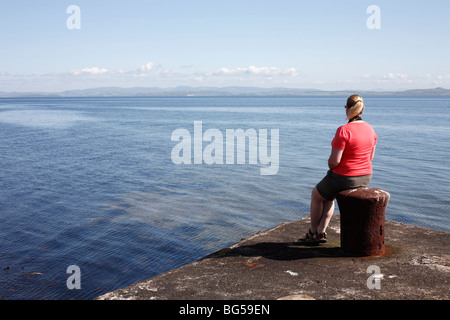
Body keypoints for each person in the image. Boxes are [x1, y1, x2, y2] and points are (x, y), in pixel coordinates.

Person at [300, 94, 377, 243]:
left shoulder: (344, 130)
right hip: (366, 176)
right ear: (362, 110)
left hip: (345, 177)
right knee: (328, 196)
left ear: (347, 109)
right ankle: (321, 232)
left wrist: (331, 165)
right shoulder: (370, 129)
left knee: (316, 195)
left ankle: (313, 233)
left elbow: (334, 162)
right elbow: (370, 158)